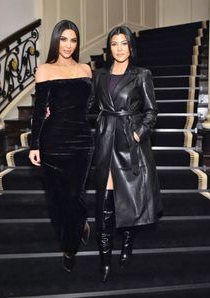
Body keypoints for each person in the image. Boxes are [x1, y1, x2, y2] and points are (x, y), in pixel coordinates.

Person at [93, 25, 162, 282]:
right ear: (109, 48)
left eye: (124, 43)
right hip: (105, 143)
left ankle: (128, 243)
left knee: (130, 199)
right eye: (114, 44)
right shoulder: (99, 75)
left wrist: (137, 134)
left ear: (131, 47)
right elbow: (88, 106)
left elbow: (151, 111)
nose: (119, 48)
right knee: (106, 202)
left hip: (130, 143)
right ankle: (104, 260)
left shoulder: (142, 74)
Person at [29, 20, 94, 273]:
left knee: (74, 195)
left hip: (81, 141)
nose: (68, 45)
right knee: (56, 200)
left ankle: (69, 248)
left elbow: (89, 106)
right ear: (56, 40)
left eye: (73, 40)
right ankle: (80, 224)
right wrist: (35, 144)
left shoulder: (86, 69)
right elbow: (38, 110)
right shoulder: (44, 70)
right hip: (53, 140)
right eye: (63, 39)